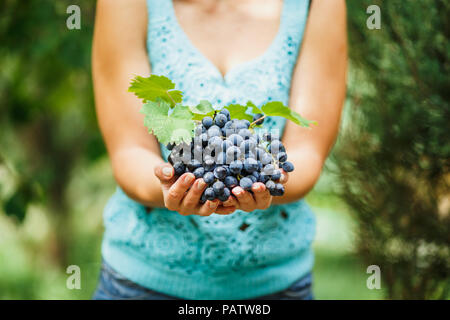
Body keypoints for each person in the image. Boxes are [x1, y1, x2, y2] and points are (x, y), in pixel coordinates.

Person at [92, 0, 347, 300]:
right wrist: (170, 185)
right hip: (139, 283)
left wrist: (269, 180)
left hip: (275, 284)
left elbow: (307, 151)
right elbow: (129, 150)